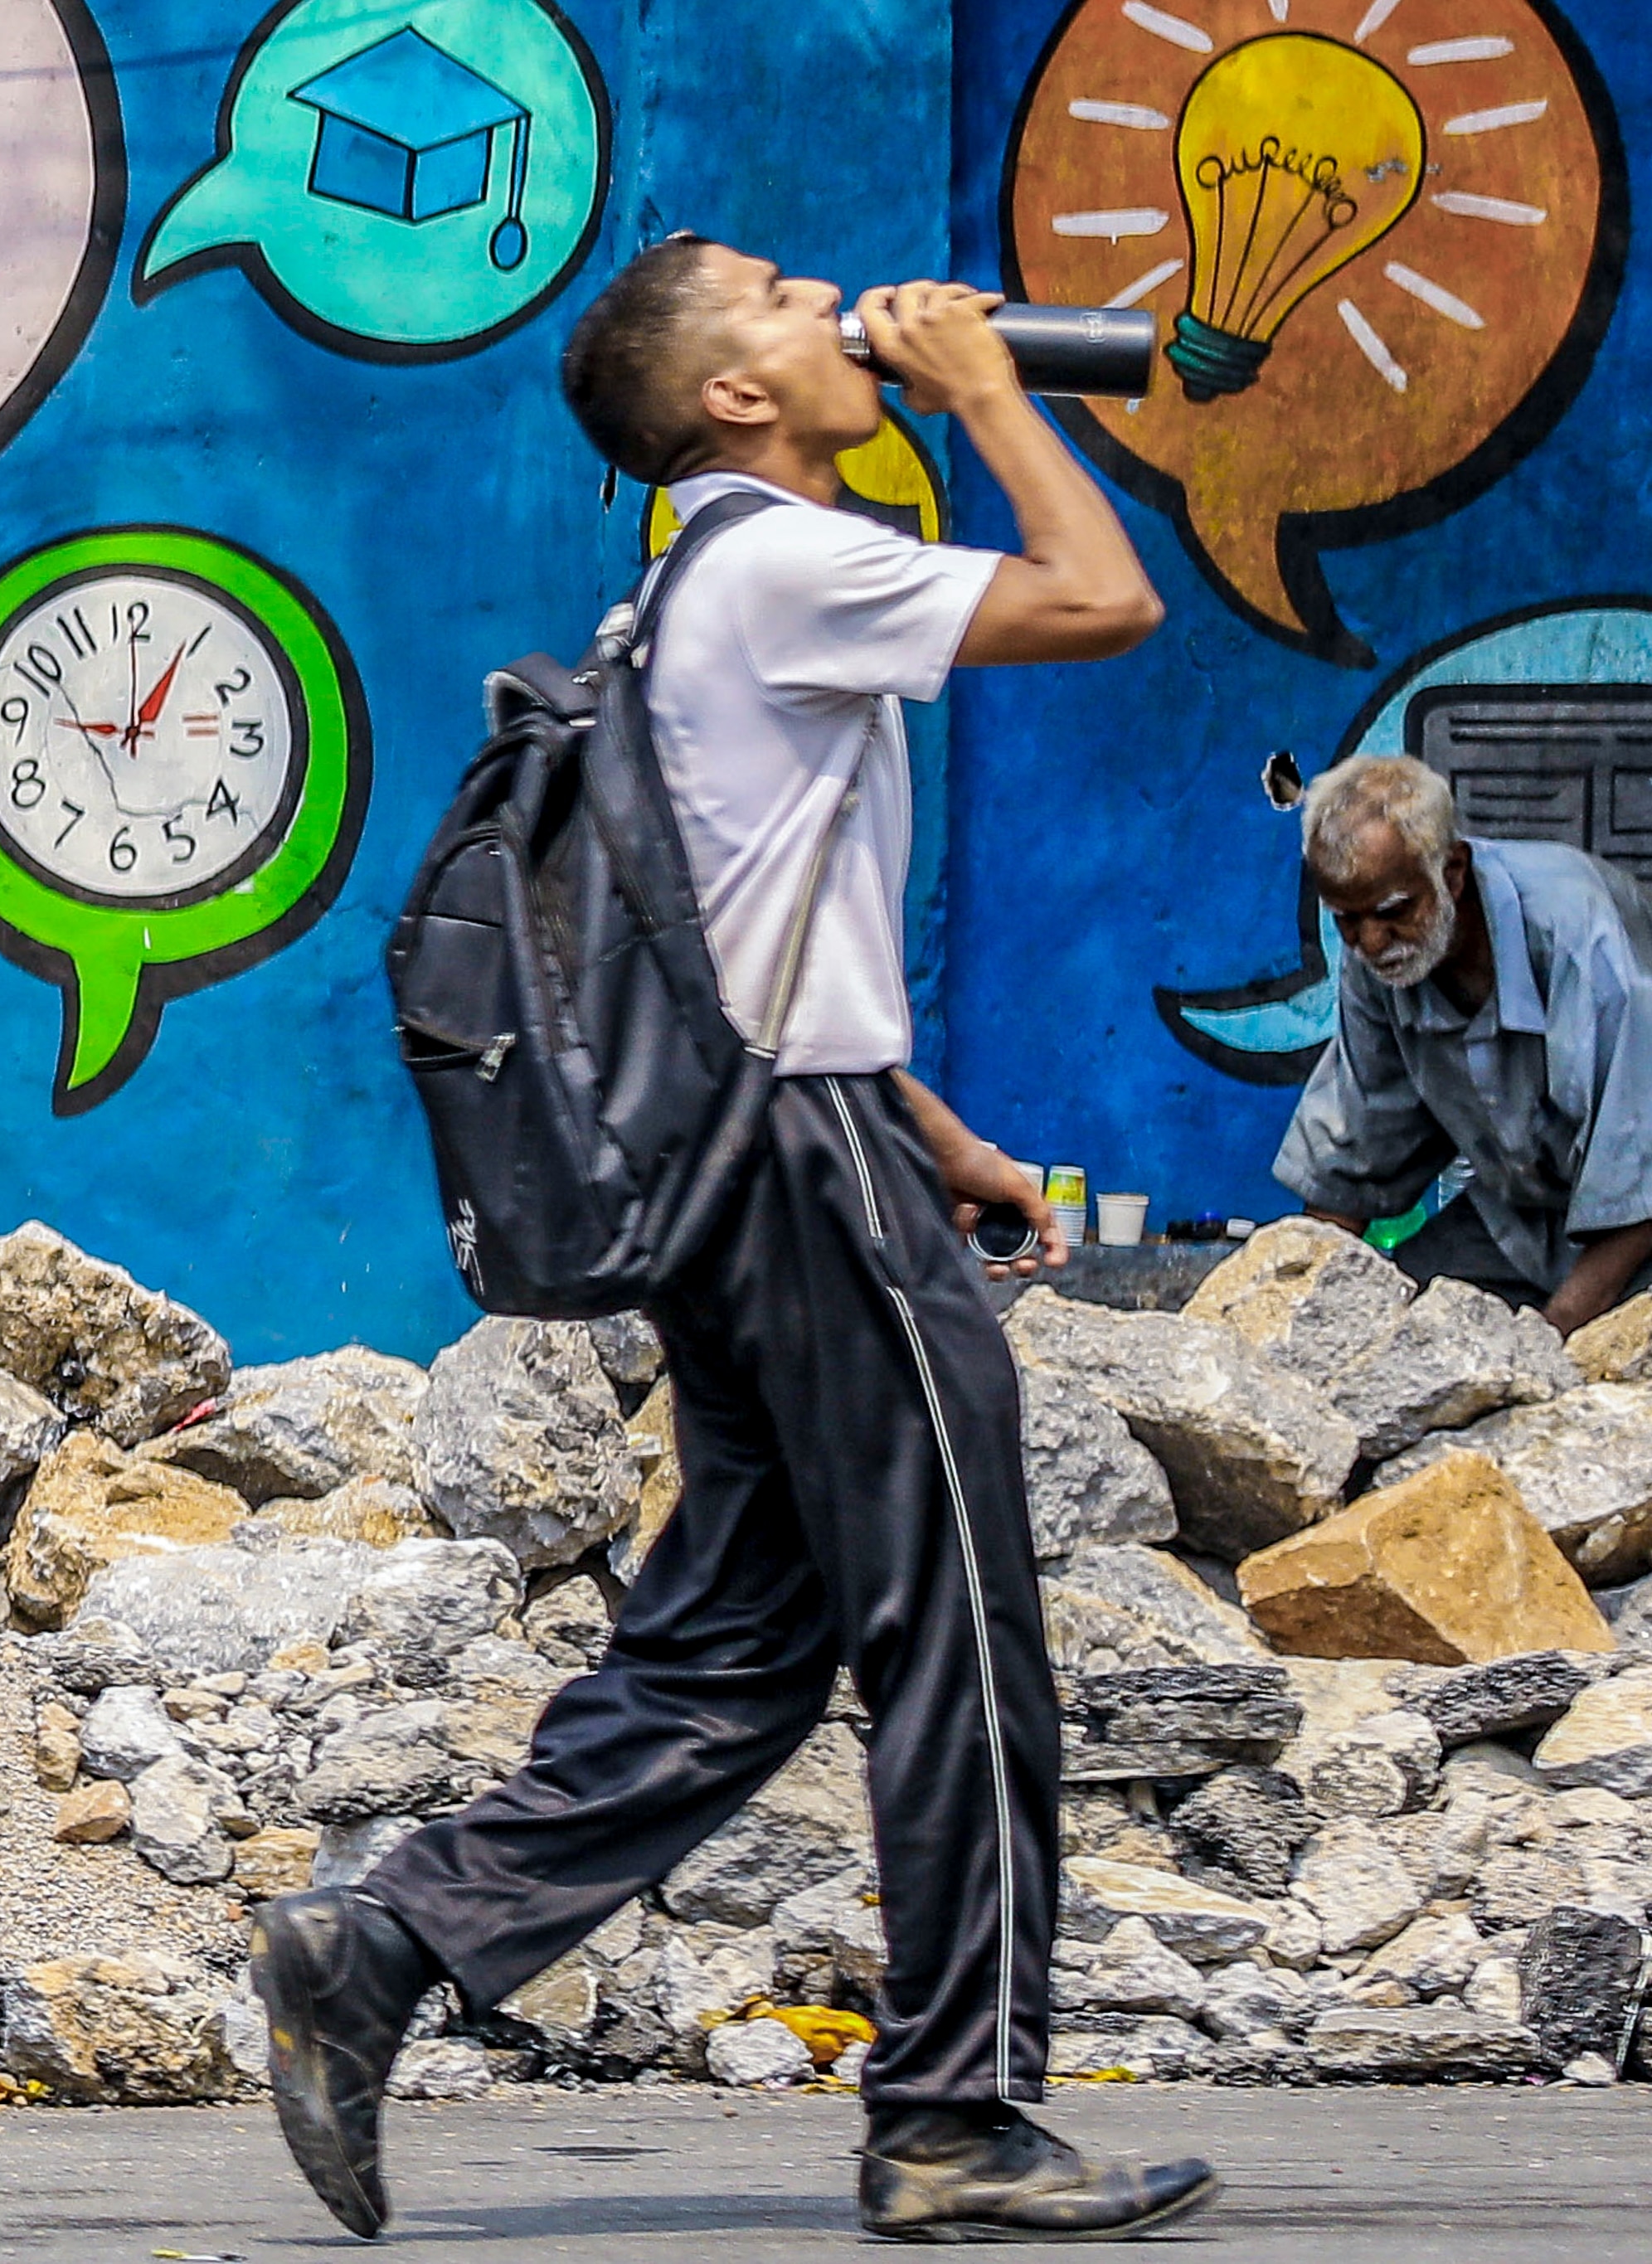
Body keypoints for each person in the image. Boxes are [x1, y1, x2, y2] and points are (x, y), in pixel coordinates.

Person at [252, 240, 1221, 2244]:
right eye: (784, 299)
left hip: (754, 1153)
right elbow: (1105, 597)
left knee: (730, 1651)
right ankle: (951, 2116)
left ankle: (381, 1946)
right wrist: (984, 393)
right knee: (957, 1633)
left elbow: (743, 918)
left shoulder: (689, 589)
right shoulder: (779, 562)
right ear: (729, 399)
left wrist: (925, 1127)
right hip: (799, 1171)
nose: (844, 305)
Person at [1276, 755, 1652, 1332]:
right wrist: (1293, 1308)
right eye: (1346, 921)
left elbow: (1643, 1173)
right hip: (1522, 1226)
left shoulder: (1579, 936)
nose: (1371, 942)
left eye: (1393, 913)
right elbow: (1356, 1149)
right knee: (1390, 1333)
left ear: (1452, 873)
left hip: (1639, 1231)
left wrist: (1549, 1339)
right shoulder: (1376, 964)